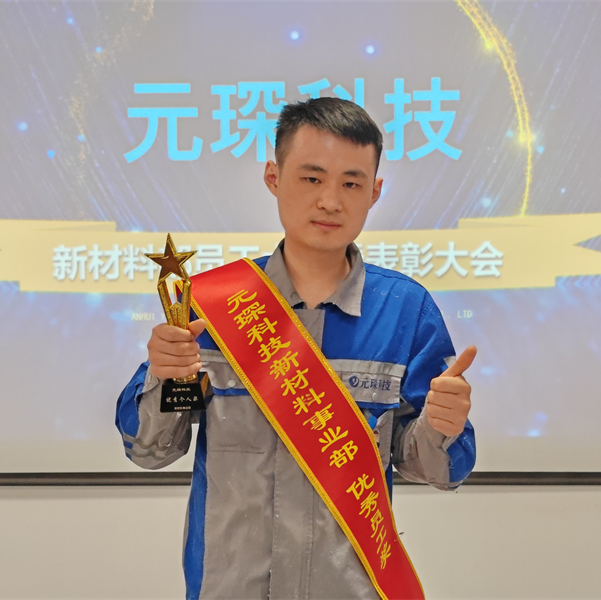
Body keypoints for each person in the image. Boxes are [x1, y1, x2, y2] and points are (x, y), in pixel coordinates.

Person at [115, 97, 476, 600]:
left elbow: (437, 469)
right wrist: (165, 376)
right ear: (273, 177)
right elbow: (149, 450)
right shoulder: (215, 305)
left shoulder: (405, 309)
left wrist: (441, 425)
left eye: (351, 184)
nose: (330, 201)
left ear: (374, 192)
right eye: (311, 178)